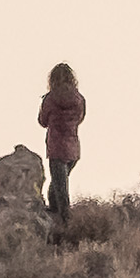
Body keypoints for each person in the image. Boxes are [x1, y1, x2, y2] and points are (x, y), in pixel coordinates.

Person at [38, 63, 87, 223]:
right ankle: (56, 215)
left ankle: (66, 223)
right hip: (73, 149)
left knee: (60, 189)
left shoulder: (50, 99)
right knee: (59, 184)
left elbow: (42, 121)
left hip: (56, 148)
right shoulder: (79, 99)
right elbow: (80, 118)